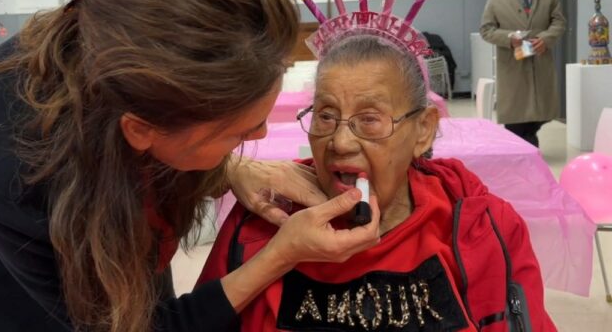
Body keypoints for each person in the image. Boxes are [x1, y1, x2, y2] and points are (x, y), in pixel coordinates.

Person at [0, 0, 381, 332]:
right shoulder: (11, 165)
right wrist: (279, 255)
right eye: (239, 132)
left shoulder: (131, 74)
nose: (261, 133)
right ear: (141, 131)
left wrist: (230, 167)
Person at [198, 34, 556, 331]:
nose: (340, 142)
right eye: (325, 116)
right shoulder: (264, 219)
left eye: (369, 119)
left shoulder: (481, 228)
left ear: (423, 130)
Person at [480, 0, 566, 147]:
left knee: (541, 112)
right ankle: (525, 151)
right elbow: (486, 30)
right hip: (513, 65)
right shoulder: (496, 1)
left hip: (540, 61)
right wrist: (509, 38)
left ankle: (527, 144)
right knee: (516, 117)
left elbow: (559, 22)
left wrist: (545, 38)